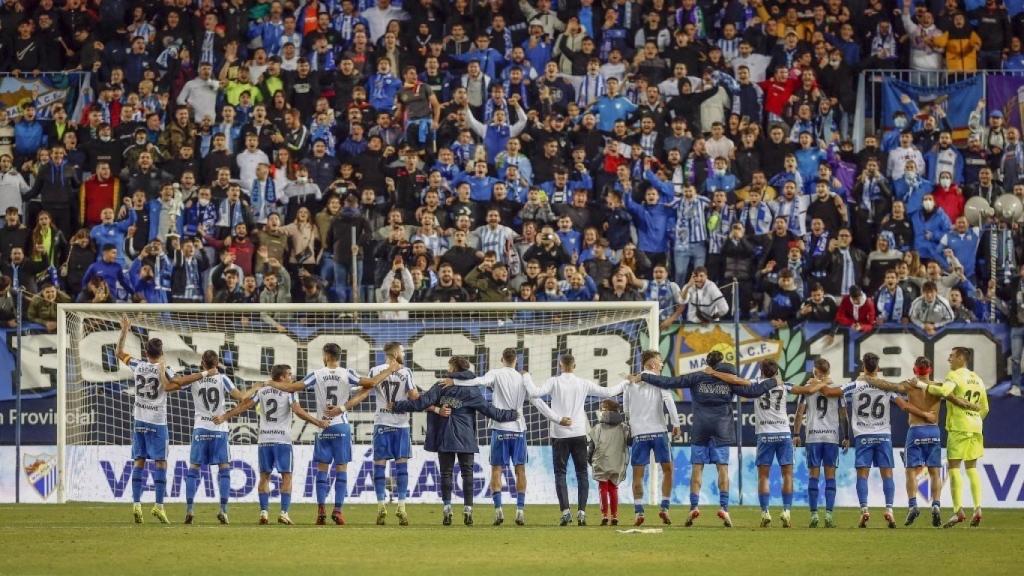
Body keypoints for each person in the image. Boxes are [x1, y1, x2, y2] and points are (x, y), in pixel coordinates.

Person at [636, 346, 775, 528]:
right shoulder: (729, 381)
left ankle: (694, 506)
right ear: (721, 364)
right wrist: (774, 381)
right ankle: (724, 507)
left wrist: (644, 375)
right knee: (722, 469)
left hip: (701, 427)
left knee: (697, 469)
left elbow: (669, 382)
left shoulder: (696, 377)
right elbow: (754, 391)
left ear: (707, 364)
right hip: (722, 428)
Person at [265, 343, 399, 525]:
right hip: (341, 426)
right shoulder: (347, 373)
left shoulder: (316, 374)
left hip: (323, 428)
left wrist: (269, 382)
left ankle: (321, 511)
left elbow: (291, 388)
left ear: (326, 356)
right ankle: (338, 510)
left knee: (322, 470)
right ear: (338, 356)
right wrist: (389, 370)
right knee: (341, 469)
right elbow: (372, 383)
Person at [390, 356, 519, 526]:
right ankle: (468, 510)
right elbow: (491, 412)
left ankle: (447, 509)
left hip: (445, 436)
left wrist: (397, 405)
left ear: (454, 368)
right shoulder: (473, 390)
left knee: (446, 473)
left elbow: (420, 403)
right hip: (466, 437)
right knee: (467, 474)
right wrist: (513, 414)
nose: (448, 369)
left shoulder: (442, 385)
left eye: (450, 366)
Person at [116, 316, 208, 524]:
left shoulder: (138, 365)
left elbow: (119, 353)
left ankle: (136, 504)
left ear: (146, 353)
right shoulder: (164, 368)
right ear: (161, 353)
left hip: (139, 420)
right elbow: (173, 384)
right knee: (161, 463)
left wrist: (124, 331)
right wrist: (202, 374)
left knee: (139, 460)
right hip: (157, 422)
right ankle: (158, 506)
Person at [214, 364, 326, 525]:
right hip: (282, 441)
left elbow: (245, 405)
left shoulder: (262, 391)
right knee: (287, 476)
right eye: (289, 375)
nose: (292, 377)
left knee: (264, 476)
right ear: (281, 377)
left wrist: (226, 416)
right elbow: (298, 411)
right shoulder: (289, 391)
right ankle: (284, 513)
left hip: (265, 440)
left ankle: (264, 512)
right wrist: (317, 422)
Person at [447, 347, 547, 526]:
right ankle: (520, 511)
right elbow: (537, 400)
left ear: (502, 359)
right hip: (518, 429)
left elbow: (477, 381)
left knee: (496, 470)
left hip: (500, 429)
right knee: (520, 470)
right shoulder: (523, 378)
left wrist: (456, 382)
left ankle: (498, 510)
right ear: (516, 360)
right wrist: (556, 418)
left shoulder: (495, 373)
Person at [531, 353, 626, 527]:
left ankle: (566, 512)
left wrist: (526, 379)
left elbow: (534, 394)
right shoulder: (583, 383)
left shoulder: (554, 382)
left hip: (559, 434)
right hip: (579, 434)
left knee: (560, 473)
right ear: (574, 366)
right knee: (582, 473)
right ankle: (582, 513)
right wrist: (626, 382)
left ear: (560, 365)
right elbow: (609, 392)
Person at [812, 352, 898, 528]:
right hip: (883, 435)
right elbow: (903, 404)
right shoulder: (887, 387)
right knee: (887, 474)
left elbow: (829, 392)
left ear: (863, 366)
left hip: (863, 436)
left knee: (862, 475)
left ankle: (864, 510)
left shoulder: (855, 385)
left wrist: (818, 382)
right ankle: (889, 509)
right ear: (878, 368)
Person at [860, 356, 944, 527]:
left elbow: (891, 387)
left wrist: (868, 378)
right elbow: (953, 397)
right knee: (935, 471)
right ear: (931, 370)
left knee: (911, 471)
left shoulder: (910, 384)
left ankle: (913, 505)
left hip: (916, 430)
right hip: (934, 430)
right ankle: (936, 505)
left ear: (915, 370)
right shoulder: (938, 387)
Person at [924, 347, 989, 528]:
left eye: (951, 356)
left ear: (961, 358)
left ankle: (958, 510)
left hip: (959, 427)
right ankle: (977, 508)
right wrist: (975, 419)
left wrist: (924, 385)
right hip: (976, 427)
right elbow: (985, 408)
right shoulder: (978, 379)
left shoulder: (954, 376)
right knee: (972, 468)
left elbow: (944, 392)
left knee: (954, 468)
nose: (949, 359)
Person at [180, 351, 245, 525]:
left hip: (200, 428)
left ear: (202, 363)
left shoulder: (194, 378)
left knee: (193, 470)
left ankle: (190, 509)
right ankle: (223, 510)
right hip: (219, 429)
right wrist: (226, 415)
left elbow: (174, 384)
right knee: (224, 470)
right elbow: (241, 398)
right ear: (217, 363)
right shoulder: (223, 379)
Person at [363, 343, 419, 525]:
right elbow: (414, 396)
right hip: (401, 426)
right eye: (402, 351)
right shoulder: (406, 371)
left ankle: (381, 506)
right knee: (401, 466)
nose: (403, 354)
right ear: (396, 353)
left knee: (379, 465)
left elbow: (366, 389)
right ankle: (401, 506)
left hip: (381, 424)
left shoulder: (375, 370)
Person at [623, 350, 680, 526]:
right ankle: (664, 507)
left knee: (638, 474)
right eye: (660, 362)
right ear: (652, 364)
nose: (662, 365)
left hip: (639, 433)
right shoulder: (659, 382)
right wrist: (676, 423)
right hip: (659, 432)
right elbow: (669, 402)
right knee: (668, 469)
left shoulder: (629, 383)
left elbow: (625, 409)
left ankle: (639, 511)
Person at [792, 358, 850, 529]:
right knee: (830, 476)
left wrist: (796, 433)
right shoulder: (837, 389)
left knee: (813, 476)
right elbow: (843, 415)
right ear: (828, 372)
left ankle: (814, 514)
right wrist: (846, 436)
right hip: (831, 438)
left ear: (815, 371)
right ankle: (829, 515)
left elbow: (799, 413)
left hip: (813, 437)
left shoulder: (808, 389)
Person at [589, 399, 629, 527]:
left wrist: (589, 459)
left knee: (603, 488)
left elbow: (592, 446)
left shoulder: (598, 427)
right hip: (617, 462)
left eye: (602, 408)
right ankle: (615, 516)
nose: (600, 411)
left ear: (606, 411)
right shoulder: (623, 427)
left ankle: (604, 515)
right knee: (613, 488)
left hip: (601, 461)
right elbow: (630, 442)